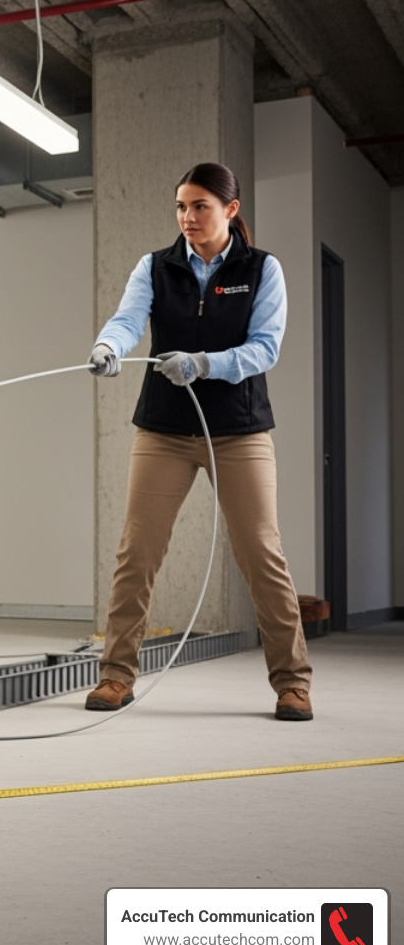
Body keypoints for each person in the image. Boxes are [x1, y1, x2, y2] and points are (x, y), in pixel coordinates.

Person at [86, 161, 312, 722]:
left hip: (239, 431)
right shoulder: (155, 266)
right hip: (163, 430)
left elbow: (265, 348)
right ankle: (115, 677)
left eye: (200, 207)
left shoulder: (262, 269)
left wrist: (205, 363)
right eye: (182, 207)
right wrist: (108, 347)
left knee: (262, 555)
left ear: (230, 211)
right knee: (135, 553)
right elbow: (128, 318)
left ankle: (293, 684)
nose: (188, 218)